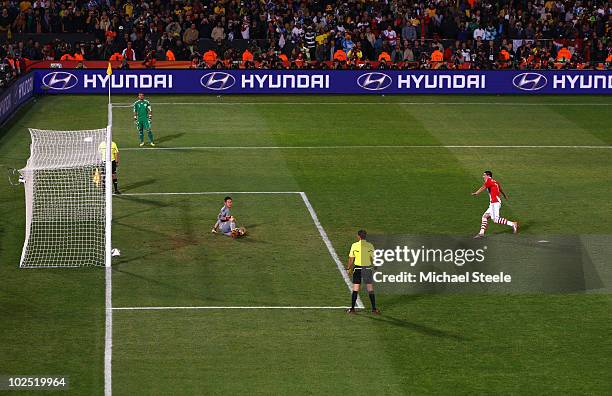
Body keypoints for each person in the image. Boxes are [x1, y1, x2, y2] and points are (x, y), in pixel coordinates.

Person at [472, 171, 519, 238]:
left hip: (494, 202)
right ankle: (481, 233)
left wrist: (476, 193)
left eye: (484, 175)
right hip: (494, 203)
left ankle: (513, 224)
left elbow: (483, 187)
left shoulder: (489, 181)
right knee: (485, 217)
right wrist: (505, 195)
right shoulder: (495, 182)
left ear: (488, 175)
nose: (483, 177)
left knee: (495, 219)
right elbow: (500, 189)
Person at [346, 230, 379, 314]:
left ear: (358, 236)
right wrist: (375, 266)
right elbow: (374, 257)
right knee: (370, 289)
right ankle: (374, 309)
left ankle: (352, 309)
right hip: (367, 269)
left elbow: (351, 259)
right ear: (365, 236)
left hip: (357, 269)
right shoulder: (370, 245)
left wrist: (348, 268)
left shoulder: (354, 245)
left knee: (356, 289)